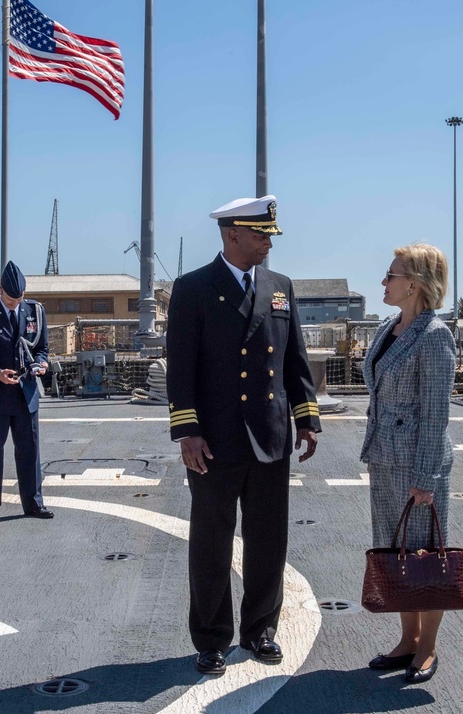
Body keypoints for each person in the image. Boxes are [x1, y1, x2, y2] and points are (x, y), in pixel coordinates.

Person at [166, 195, 321, 675]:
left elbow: (293, 359)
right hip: (214, 441)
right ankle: (211, 638)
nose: (266, 244)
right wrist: (187, 431)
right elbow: (181, 368)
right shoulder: (192, 288)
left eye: (269, 235)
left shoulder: (280, 287)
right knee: (211, 543)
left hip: (270, 437)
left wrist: (307, 417)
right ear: (232, 234)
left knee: (268, 541)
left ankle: (261, 631)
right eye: (259, 235)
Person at [360, 243, 455, 684]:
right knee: (394, 553)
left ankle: (429, 648)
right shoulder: (387, 327)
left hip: (417, 465)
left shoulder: (435, 335)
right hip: (383, 458)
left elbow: (436, 414)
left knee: (425, 558)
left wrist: (426, 477)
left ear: (414, 283)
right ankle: (407, 639)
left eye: (391, 274)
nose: (384, 281)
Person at [0, 261, 53, 524]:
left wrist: (42, 364)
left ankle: (34, 503)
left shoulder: (35, 311)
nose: (15, 303)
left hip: (26, 395)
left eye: (19, 298)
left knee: (30, 451)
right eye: (10, 298)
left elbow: (42, 348)